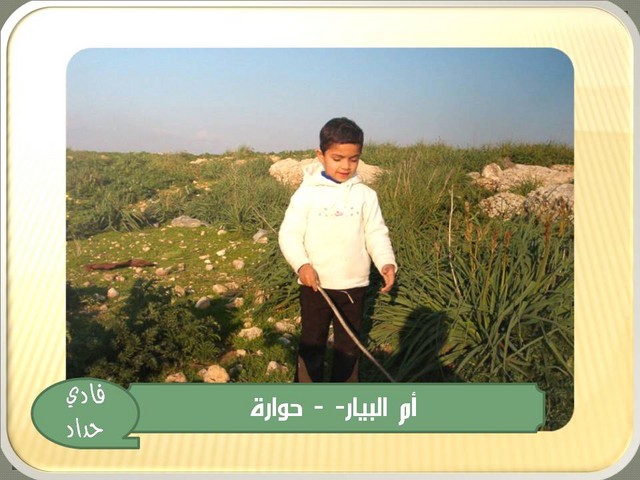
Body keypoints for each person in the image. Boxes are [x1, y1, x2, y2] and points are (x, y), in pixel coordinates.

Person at [278, 117, 397, 382]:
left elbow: (376, 233)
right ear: (320, 155)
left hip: (354, 286)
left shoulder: (366, 196)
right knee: (312, 342)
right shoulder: (306, 194)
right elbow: (289, 234)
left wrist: (386, 262)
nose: (345, 166)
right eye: (337, 158)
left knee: (349, 345)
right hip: (315, 286)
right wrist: (302, 264)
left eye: (353, 159)